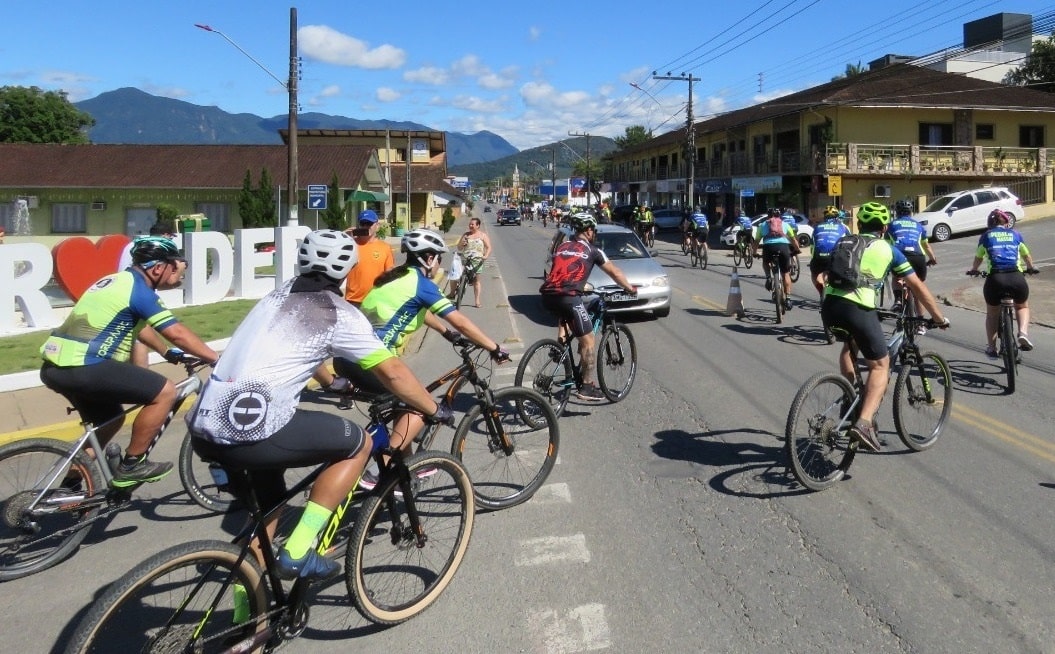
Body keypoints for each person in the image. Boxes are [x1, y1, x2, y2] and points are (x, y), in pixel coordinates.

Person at [186, 229, 453, 581]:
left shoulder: (274, 298)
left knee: (264, 526)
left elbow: (300, 351)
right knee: (360, 443)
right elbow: (394, 373)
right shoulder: (337, 313)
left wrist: (333, 382)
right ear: (346, 271)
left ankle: (252, 615)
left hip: (203, 426)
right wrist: (433, 410)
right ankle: (297, 551)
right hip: (252, 426)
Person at [333, 228, 509, 485]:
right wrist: (493, 348)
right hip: (371, 362)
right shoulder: (421, 283)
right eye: (439, 257)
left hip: (348, 359)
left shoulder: (395, 278)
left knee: (402, 408)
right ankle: (380, 471)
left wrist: (445, 333)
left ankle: (408, 468)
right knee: (423, 405)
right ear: (428, 258)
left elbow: (418, 309)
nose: (440, 263)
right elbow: (461, 321)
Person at [40, 236, 219, 487]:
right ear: (158, 268)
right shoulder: (140, 291)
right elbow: (177, 332)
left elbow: (139, 326)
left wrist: (166, 352)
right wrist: (215, 358)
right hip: (85, 366)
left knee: (108, 421)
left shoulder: (115, 281)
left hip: (56, 367)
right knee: (164, 392)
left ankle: (69, 489)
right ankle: (132, 465)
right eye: (177, 267)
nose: (180, 274)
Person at [820, 202, 949, 452]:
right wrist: (938, 317)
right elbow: (917, 287)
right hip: (858, 309)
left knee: (850, 347)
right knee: (880, 365)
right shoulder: (889, 249)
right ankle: (865, 423)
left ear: (859, 225)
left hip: (830, 307)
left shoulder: (844, 242)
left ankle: (851, 394)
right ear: (885, 227)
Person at [539, 214, 636, 401]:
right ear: (589, 230)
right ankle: (587, 387)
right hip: (568, 296)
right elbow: (614, 272)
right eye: (594, 231)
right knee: (589, 340)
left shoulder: (562, 246)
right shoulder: (593, 250)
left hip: (548, 295)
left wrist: (579, 285)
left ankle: (560, 347)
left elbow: (558, 272)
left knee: (567, 313)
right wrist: (629, 288)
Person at [966, 209, 1039, 357]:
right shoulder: (1016, 235)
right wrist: (1031, 268)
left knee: (992, 314)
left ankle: (992, 349)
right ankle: (1023, 333)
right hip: (1016, 278)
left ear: (989, 224)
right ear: (1006, 223)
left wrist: (974, 270)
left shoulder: (986, 236)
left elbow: (978, 258)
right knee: (1022, 306)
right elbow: (1026, 255)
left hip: (995, 279)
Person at [887, 199, 938, 333]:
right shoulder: (918, 225)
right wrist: (932, 258)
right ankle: (920, 324)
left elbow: (886, 245)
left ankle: (898, 300)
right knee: (917, 288)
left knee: (897, 277)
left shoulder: (892, 225)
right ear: (911, 212)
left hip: (900, 256)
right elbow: (926, 245)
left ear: (896, 212)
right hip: (918, 258)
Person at [343, 209, 394, 307]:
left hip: (376, 300)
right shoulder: (350, 244)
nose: (366, 227)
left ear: (377, 226)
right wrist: (343, 237)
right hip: (353, 300)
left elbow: (389, 273)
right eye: (363, 223)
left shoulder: (385, 247)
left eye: (369, 223)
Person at [752, 208, 800, 311]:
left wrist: (754, 252)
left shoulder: (763, 225)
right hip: (783, 248)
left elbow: (756, 241)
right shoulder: (785, 224)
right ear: (779, 216)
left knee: (765, 262)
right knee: (786, 273)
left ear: (768, 216)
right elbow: (793, 239)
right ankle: (788, 298)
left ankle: (768, 277)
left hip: (768, 248)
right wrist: (797, 249)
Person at [447, 217, 492, 308]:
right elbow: (459, 248)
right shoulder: (466, 235)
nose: (470, 226)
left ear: (478, 226)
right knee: (455, 276)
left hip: (477, 261)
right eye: (470, 224)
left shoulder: (483, 236)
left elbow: (489, 247)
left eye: (472, 224)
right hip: (465, 260)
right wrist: (461, 244)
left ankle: (477, 301)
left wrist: (485, 256)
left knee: (476, 281)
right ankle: (452, 293)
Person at [809, 205, 850, 297]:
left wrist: (813, 258)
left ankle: (821, 291)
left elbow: (812, 246)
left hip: (819, 257)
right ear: (837, 217)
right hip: (835, 256)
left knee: (814, 272)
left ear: (825, 216)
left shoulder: (817, 227)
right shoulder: (843, 227)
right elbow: (849, 243)